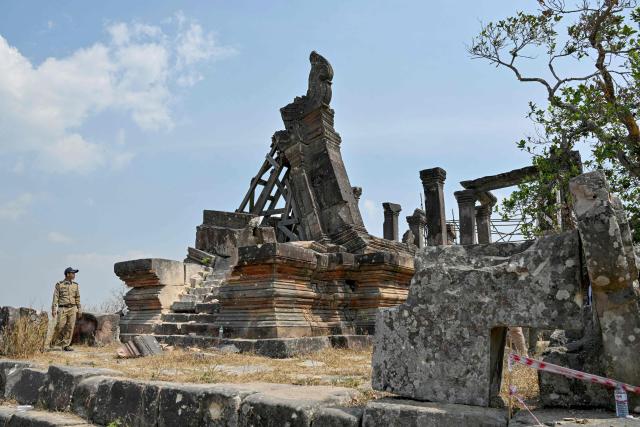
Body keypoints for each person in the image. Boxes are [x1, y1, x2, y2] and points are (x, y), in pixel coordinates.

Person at [51, 267, 81, 351]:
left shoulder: (75, 285)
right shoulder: (59, 284)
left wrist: (79, 309)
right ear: (68, 274)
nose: (74, 275)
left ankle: (66, 345)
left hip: (73, 308)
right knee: (59, 326)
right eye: (73, 273)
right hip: (62, 308)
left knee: (70, 327)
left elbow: (77, 297)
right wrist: (54, 309)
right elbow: (55, 297)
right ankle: (53, 343)